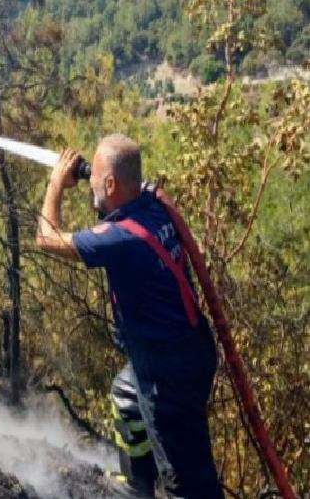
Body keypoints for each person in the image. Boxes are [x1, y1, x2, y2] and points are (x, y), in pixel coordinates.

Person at [35, 134, 224, 499]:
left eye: (95, 181)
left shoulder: (122, 239)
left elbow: (46, 237)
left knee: (186, 481)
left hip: (166, 374)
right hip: (189, 350)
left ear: (110, 184)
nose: (89, 185)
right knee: (126, 396)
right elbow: (112, 209)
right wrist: (91, 188)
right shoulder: (151, 207)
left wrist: (56, 184)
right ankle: (139, 485)